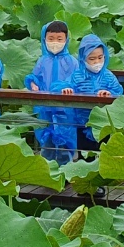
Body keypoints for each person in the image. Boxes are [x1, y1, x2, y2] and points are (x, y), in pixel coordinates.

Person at [58, 35, 121, 151]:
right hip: (82, 124)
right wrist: (66, 88)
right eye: (92, 59)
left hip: (104, 123)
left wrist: (109, 93)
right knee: (84, 154)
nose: (97, 62)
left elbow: (118, 91)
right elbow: (64, 84)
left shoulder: (109, 76)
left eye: (100, 57)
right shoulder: (76, 76)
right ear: (83, 58)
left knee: (104, 153)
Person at [26, 21, 79, 163]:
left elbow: (77, 80)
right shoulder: (42, 61)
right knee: (47, 142)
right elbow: (34, 77)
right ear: (44, 39)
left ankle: (66, 169)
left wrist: (69, 88)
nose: (55, 42)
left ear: (66, 40)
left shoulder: (72, 62)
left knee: (65, 142)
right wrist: (33, 84)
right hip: (45, 108)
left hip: (65, 109)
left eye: (59, 39)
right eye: (51, 39)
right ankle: (47, 169)